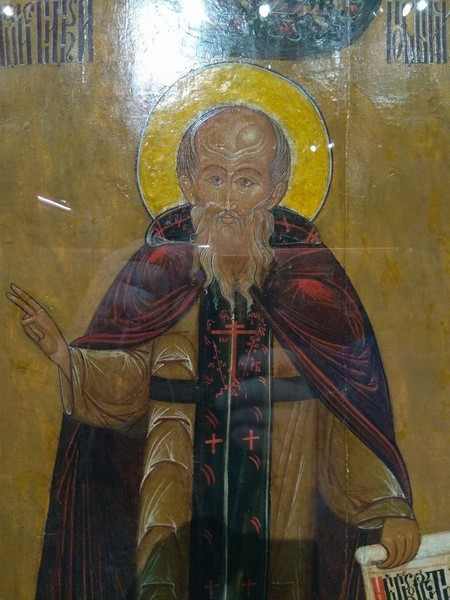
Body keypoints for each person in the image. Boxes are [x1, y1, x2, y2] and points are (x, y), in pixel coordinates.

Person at [8, 105, 420, 600]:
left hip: (285, 504)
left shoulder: (312, 282)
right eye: (215, 178)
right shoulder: (160, 270)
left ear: (275, 188)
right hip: (178, 495)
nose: (227, 201)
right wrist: (68, 358)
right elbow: (130, 379)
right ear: (188, 183)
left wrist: (387, 507)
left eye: (245, 181)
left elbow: (346, 405)